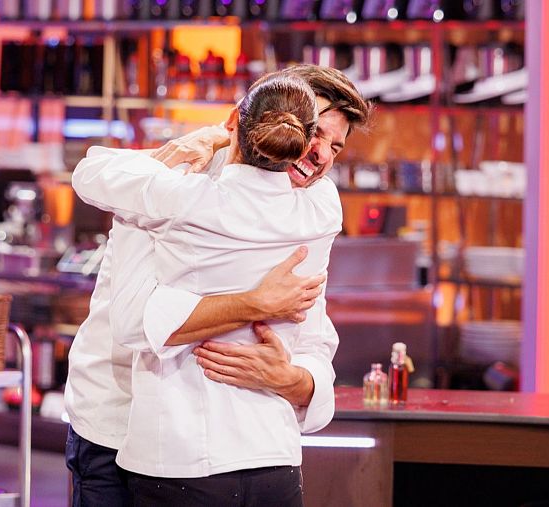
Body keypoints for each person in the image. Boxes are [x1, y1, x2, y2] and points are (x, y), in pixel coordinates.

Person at [65, 64, 369, 506]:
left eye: (335, 147)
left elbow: (311, 331)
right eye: (312, 130)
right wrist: (252, 303)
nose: (319, 153)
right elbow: (136, 321)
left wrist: (297, 381)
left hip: (239, 454)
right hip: (115, 424)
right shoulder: (176, 181)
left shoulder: (311, 211)